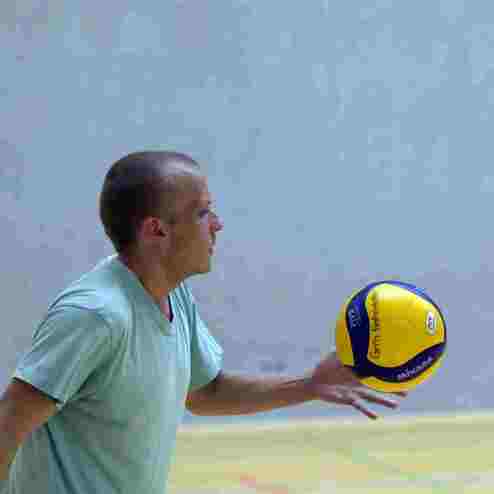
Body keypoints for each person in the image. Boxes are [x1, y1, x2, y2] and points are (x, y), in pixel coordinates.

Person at [0, 151, 404, 494]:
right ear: (156, 230)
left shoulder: (172, 294)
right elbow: (7, 427)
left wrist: (310, 385)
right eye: (203, 212)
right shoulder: (95, 316)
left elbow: (204, 393)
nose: (217, 224)